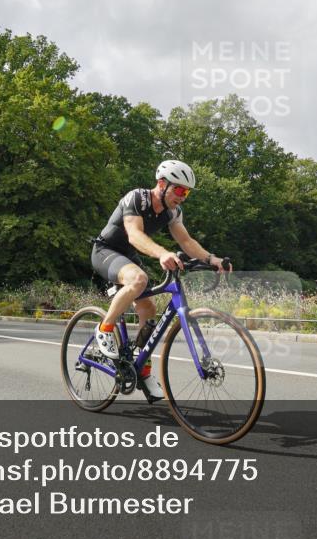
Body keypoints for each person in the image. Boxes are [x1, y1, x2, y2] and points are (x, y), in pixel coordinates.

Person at [91, 160, 231, 401]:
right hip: (106, 250)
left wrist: (211, 259)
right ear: (162, 184)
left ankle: (142, 370)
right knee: (139, 279)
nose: (183, 196)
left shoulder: (173, 212)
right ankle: (104, 329)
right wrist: (163, 253)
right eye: (179, 190)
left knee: (149, 308)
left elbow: (186, 242)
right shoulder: (138, 198)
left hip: (129, 256)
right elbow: (134, 234)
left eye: (186, 192)